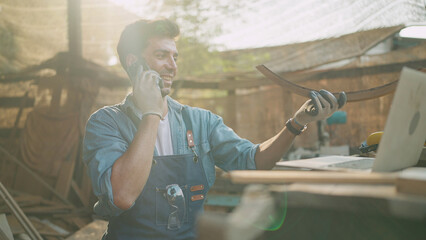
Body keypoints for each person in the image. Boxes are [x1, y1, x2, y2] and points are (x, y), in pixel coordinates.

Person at [83, 18, 346, 240]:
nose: (172, 66)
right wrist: (151, 112)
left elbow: (253, 162)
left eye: (174, 57)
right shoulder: (106, 123)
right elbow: (122, 196)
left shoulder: (200, 122)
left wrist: (296, 122)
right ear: (133, 63)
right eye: (161, 55)